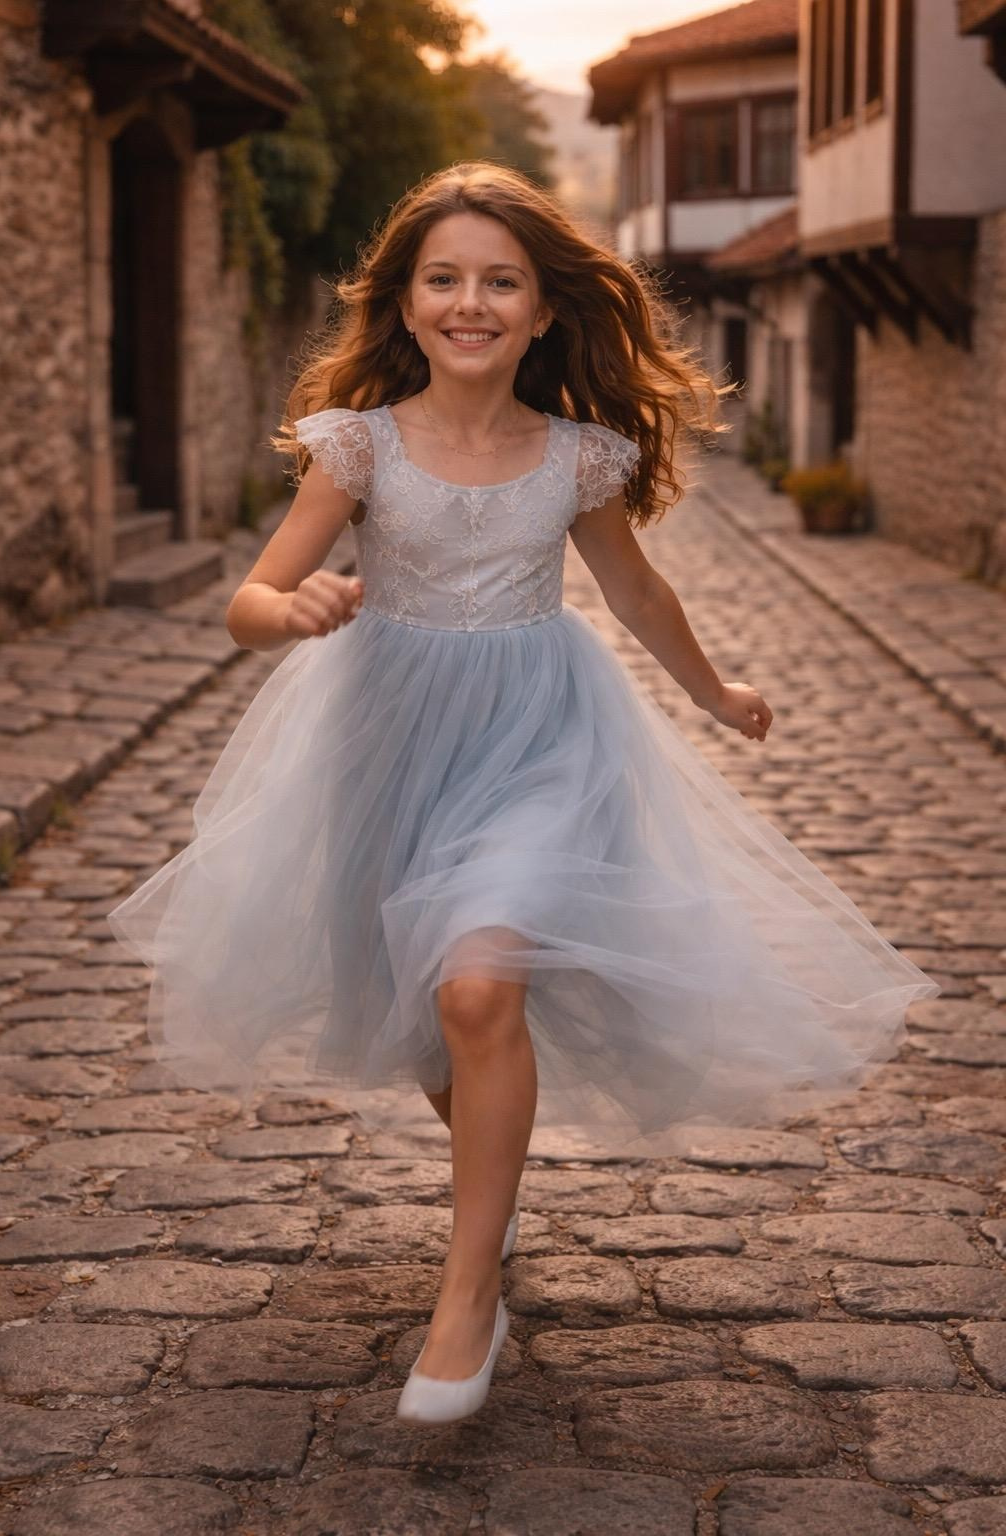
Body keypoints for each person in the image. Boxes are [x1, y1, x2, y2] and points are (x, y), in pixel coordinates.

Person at [106, 161, 939, 1426]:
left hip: (542, 739)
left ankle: (466, 1290)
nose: (470, 301)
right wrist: (300, 605)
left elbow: (636, 593)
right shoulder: (360, 446)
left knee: (481, 980)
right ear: (405, 306)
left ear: (545, 311)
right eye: (443, 279)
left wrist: (711, 693)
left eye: (500, 281)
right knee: (440, 1021)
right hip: (386, 742)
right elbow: (246, 603)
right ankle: (486, 1206)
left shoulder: (577, 459)